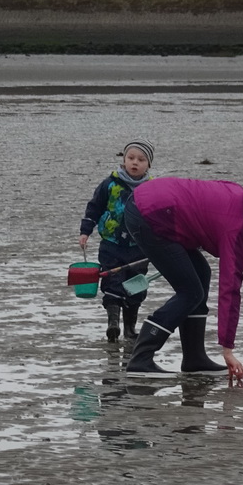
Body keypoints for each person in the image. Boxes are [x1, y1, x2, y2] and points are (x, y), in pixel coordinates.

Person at [123, 176, 243, 378]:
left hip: (156, 206)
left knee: (201, 274)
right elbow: (230, 290)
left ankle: (194, 359)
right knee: (190, 292)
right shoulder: (238, 230)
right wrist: (227, 350)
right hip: (149, 212)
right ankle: (140, 359)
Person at [79, 138, 155, 342]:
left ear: (148, 164)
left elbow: (160, 217)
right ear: (124, 160)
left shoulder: (152, 188)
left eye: (141, 159)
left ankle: (130, 328)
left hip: (139, 246)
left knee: (136, 285)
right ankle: (113, 323)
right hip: (111, 244)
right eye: (130, 158)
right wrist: (85, 231)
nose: (135, 163)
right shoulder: (109, 184)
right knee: (112, 282)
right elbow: (94, 207)